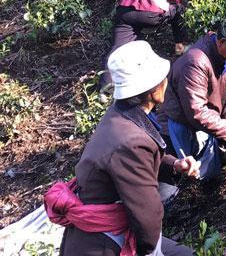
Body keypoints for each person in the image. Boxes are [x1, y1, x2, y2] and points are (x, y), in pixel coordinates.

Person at [45, 41, 200, 256]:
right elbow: (147, 215)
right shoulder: (131, 140)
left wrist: (174, 165)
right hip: (100, 242)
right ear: (152, 90)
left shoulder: (122, 115)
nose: (166, 81)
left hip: (101, 232)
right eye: (162, 78)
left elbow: (142, 159)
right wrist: (148, 251)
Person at [158, 15, 226, 182]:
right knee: (192, 173)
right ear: (222, 42)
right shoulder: (195, 63)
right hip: (184, 125)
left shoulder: (223, 57)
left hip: (205, 119)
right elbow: (197, 112)